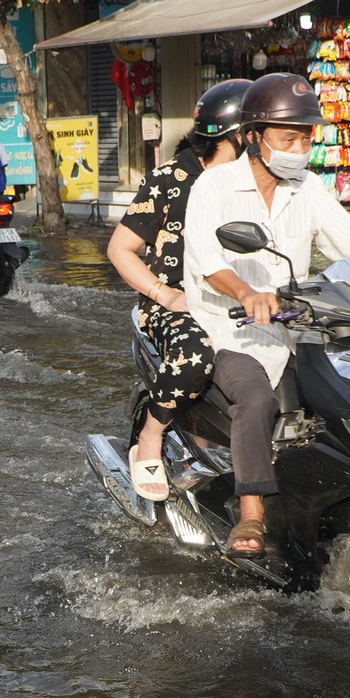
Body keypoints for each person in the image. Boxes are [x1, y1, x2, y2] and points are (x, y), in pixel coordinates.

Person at [179, 72, 350, 557]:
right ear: (252, 137)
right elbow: (208, 262)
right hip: (227, 329)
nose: (300, 148)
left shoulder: (305, 186)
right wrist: (246, 292)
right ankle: (251, 514)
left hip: (297, 326)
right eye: (289, 137)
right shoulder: (213, 186)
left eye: (306, 138)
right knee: (257, 398)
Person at [105, 78, 252, 500]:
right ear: (238, 135)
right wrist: (164, 295)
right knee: (197, 354)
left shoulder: (252, 182)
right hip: (176, 304)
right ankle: (151, 436)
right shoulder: (170, 180)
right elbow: (121, 249)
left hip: (240, 299)